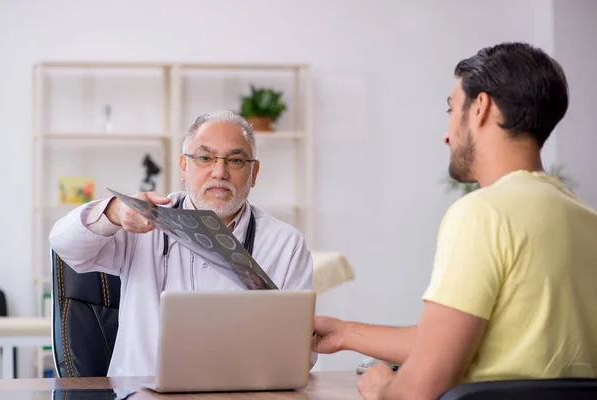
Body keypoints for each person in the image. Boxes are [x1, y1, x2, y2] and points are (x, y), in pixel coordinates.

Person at [314, 42, 597, 399]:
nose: (446, 135)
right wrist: (343, 333)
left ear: (481, 107)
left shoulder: (483, 213)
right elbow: (459, 340)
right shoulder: (588, 219)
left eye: (451, 110)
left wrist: (384, 389)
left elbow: (419, 390)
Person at [50, 110, 317, 377]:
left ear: (254, 172)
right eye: (204, 158)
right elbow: (64, 244)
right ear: (184, 166)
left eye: (235, 160)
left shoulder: (285, 245)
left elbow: (302, 354)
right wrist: (114, 212)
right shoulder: (142, 221)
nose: (219, 172)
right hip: (143, 394)